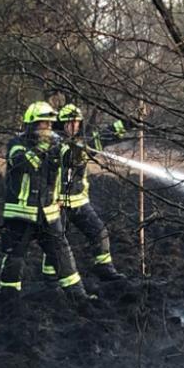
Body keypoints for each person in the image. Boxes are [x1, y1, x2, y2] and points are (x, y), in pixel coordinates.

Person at [0, 101, 91, 304]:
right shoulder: (16, 144)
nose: (47, 128)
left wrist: (75, 150)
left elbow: (73, 162)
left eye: (50, 124)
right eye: (43, 124)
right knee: (14, 259)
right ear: (31, 125)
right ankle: (8, 300)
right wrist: (45, 146)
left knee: (63, 257)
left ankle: (80, 298)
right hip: (21, 214)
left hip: (48, 214)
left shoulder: (56, 146)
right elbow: (27, 164)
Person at [41, 104, 127, 281]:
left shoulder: (83, 143)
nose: (74, 127)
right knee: (56, 242)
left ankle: (104, 269)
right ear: (61, 124)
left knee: (98, 231)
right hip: (58, 204)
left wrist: (127, 123)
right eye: (69, 123)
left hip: (79, 201)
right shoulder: (52, 144)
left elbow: (106, 135)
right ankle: (50, 278)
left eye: (77, 123)